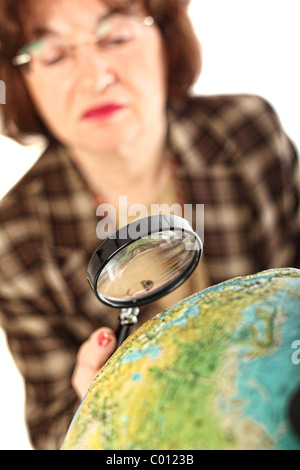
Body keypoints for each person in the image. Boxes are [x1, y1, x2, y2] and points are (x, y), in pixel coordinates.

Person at [0, 0, 299, 451]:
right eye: (54, 54)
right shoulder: (14, 237)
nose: (96, 78)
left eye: (116, 37)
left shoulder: (247, 133)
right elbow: (51, 431)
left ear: (166, 42)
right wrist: (91, 406)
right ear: (21, 80)